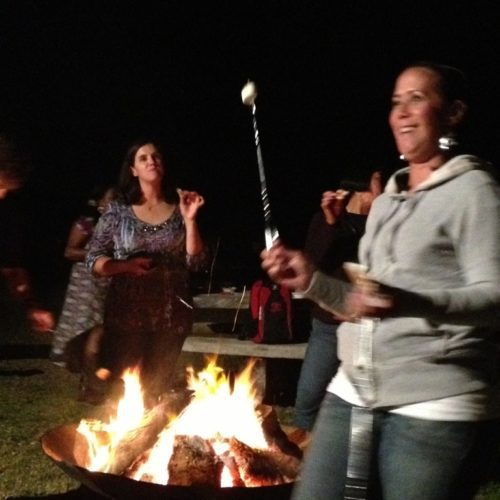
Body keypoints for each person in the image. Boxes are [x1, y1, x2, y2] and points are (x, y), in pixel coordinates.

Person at [261, 62, 500, 500]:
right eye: (395, 102)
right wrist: (311, 280)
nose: (401, 112)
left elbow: (493, 297)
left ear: (453, 112)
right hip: (353, 390)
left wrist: (411, 302)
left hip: (435, 403)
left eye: (417, 98)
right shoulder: (387, 201)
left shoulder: (475, 191)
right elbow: (366, 301)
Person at [86, 139, 208, 406]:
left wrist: (190, 220)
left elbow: (196, 263)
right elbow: (93, 259)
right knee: (124, 388)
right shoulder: (117, 213)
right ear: (133, 170)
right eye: (143, 158)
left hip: (171, 315)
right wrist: (125, 266)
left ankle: (155, 432)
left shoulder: (180, 209)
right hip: (126, 315)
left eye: (156, 156)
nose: (151, 161)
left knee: (157, 389)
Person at [292, 172, 382, 437]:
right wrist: (330, 222)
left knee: (363, 403)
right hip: (329, 324)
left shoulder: (387, 221)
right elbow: (313, 264)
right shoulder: (328, 218)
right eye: (376, 185)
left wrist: (380, 217)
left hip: (372, 327)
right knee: (309, 395)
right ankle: (299, 451)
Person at [49, 185, 116, 366]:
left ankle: (90, 358)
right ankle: (69, 356)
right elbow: (69, 251)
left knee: (98, 321)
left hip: (106, 281)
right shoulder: (87, 222)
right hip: (85, 281)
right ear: (100, 202)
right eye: (111, 199)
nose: (116, 203)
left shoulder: (118, 226)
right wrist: (99, 256)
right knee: (80, 319)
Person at [0, 134, 54, 335]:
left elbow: (11, 268)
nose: (2, 195)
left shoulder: (6, 215)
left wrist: (32, 305)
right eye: (0, 186)